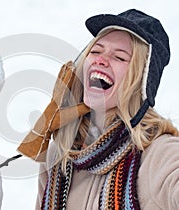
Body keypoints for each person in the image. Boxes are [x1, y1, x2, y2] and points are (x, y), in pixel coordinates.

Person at [34, 9, 179, 209]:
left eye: (119, 57)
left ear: (142, 81)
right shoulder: (59, 154)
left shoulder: (159, 154)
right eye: (95, 51)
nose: (100, 60)